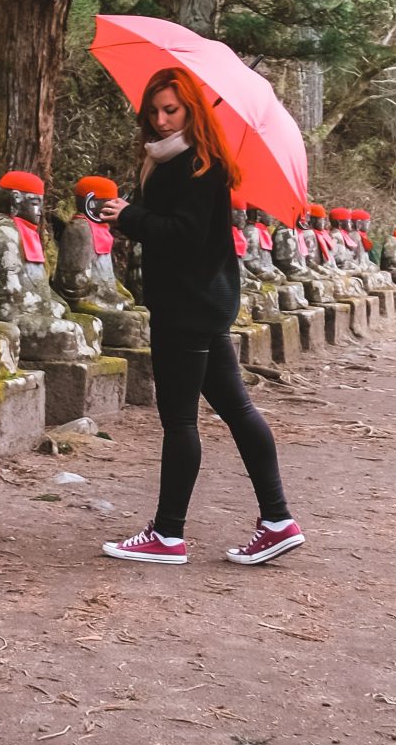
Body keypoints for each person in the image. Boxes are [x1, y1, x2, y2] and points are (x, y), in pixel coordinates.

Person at [100, 67, 304, 569]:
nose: (162, 120)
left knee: (179, 420)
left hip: (189, 306)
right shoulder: (170, 161)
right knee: (236, 409)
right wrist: (128, 217)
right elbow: (170, 229)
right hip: (199, 302)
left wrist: (130, 217)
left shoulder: (198, 164)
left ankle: (169, 533)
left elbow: (186, 234)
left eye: (172, 110)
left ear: (191, 110)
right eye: (154, 111)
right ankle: (278, 520)